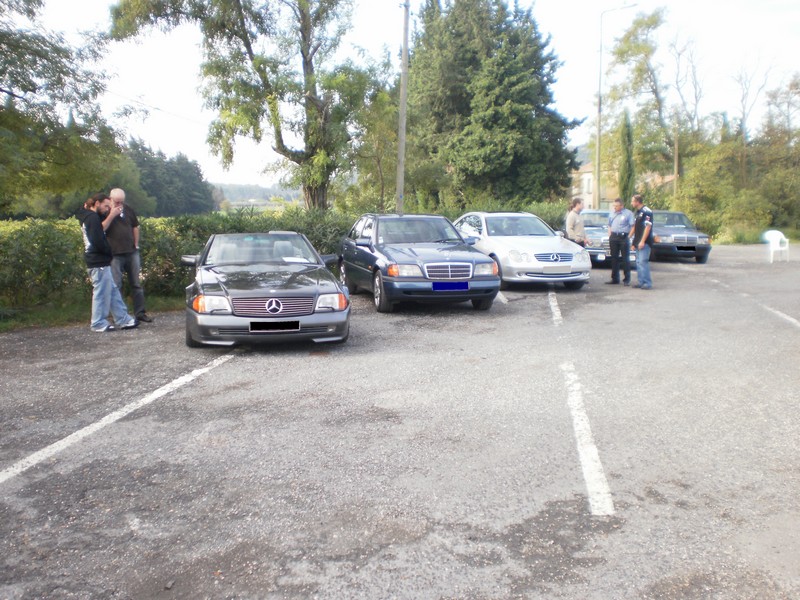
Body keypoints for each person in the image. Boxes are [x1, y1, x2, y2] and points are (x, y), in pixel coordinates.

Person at [76, 193, 138, 332]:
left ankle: (123, 319)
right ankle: (98, 322)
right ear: (96, 203)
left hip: (100, 260)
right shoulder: (92, 218)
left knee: (112, 289)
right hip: (97, 261)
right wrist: (108, 252)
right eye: (105, 205)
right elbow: (97, 240)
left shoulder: (90, 216)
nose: (106, 209)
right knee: (101, 292)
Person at [105, 188, 152, 322]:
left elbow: (135, 226)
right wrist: (112, 214)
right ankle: (120, 316)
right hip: (114, 254)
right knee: (116, 285)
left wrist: (136, 244)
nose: (119, 204)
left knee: (136, 284)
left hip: (131, 252)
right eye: (117, 201)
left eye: (121, 202)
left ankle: (140, 313)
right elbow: (102, 227)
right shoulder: (105, 211)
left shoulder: (128, 209)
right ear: (110, 199)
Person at [606, 198, 634, 285]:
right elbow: (609, 225)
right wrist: (610, 235)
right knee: (614, 258)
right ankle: (615, 278)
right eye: (614, 205)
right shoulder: (612, 213)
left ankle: (626, 279)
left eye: (616, 206)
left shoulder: (628, 213)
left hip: (623, 237)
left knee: (625, 258)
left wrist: (628, 237)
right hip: (614, 237)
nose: (614, 207)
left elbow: (633, 226)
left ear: (622, 206)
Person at [630, 193, 654, 289]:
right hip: (638, 242)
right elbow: (636, 228)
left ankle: (647, 283)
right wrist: (632, 241)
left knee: (643, 262)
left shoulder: (647, 211)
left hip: (644, 242)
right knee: (638, 262)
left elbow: (647, 227)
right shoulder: (638, 212)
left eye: (632, 201)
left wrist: (642, 241)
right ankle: (641, 282)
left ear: (637, 202)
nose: (631, 203)